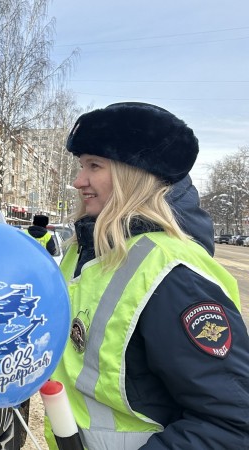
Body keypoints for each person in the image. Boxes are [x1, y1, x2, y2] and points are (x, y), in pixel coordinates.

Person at [47, 102, 249, 449]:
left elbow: (232, 423)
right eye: (81, 166)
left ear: (134, 175)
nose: (79, 181)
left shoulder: (174, 274)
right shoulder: (84, 250)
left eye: (94, 165)